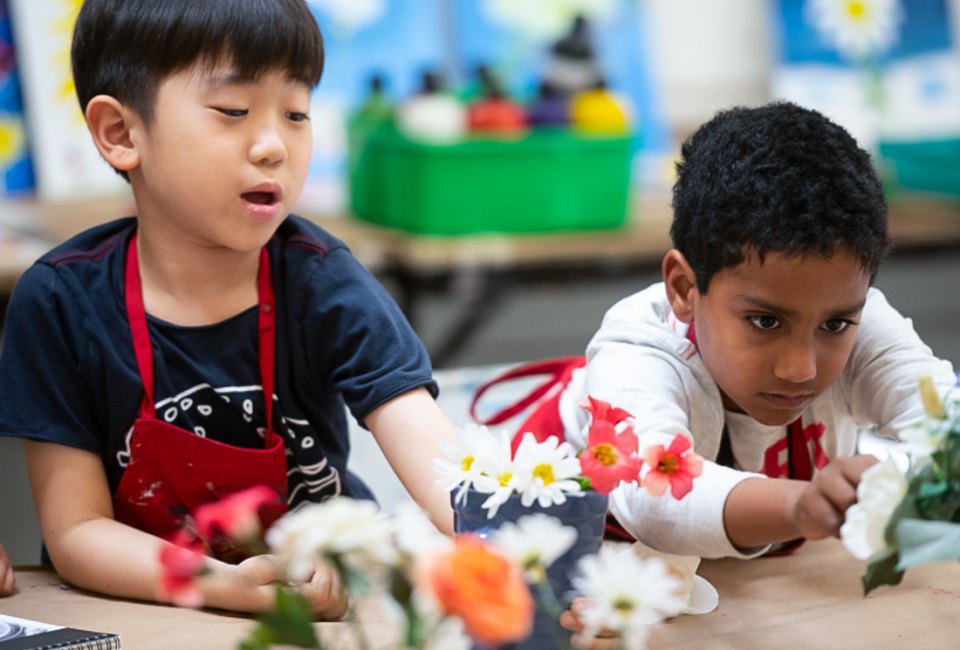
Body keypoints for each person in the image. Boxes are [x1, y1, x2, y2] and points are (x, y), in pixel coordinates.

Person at [0, 0, 456, 618]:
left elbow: (445, 473)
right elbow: (76, 531)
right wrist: (222, 585)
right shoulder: (59, 300)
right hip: (139, 614)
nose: (273, 146)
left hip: (320, 614)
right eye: (233, 111)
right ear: (121, 134)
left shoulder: (322, 279)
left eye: (296, 113)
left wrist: (527, 550)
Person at [560, 101, 956, 559]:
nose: (800, 369)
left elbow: (946, 422)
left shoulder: (861, 319)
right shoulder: (636, 351)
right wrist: (800, 504)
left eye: (835, 325)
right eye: (765, 322)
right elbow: (656, 494)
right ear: (685, 289)